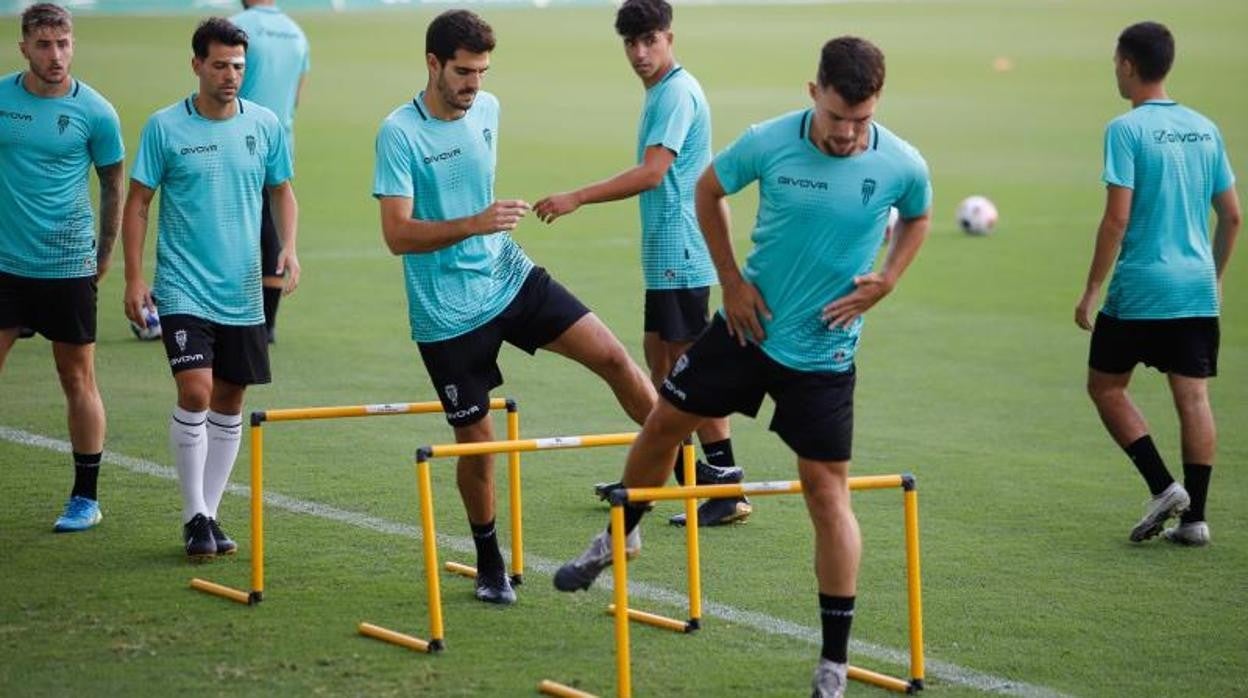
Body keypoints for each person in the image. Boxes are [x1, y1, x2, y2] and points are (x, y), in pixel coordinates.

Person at [554, 37, 932, 698]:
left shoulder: (902, 163)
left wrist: (890, 277)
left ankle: (833, 662)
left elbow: (920, 215)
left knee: (826, 492)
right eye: (837, 116)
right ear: (813, 93)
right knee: (665, 422)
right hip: (744, 327)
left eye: (862, 119)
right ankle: (617, 537)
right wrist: (729, 279)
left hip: (824, 352)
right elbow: (708, 189)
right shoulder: (769, 141)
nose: (847, 133)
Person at [373, 9, 656, 605]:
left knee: (613, 356)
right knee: (479, 446)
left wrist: (488, 231)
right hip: (446, 313)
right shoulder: (398, 133)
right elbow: (397, 235)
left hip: (509, 276)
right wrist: (476, 222)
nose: (475, 84)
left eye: (482, 71)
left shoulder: (490, 109)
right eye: (463, 72)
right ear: (433, 64)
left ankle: (665, 482)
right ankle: (489, 561)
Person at [533, 0, 748, 527]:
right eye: (630, 43)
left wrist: (578, 197)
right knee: (660, 366)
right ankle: (651, 480)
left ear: (669, 37)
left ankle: (725, 488)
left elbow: (654, 173)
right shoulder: (663, 91)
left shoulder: (675, 93)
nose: (639, 52)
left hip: (681, 252)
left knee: (687, 373)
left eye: (649, 40)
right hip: (665, 255)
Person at [122, 17, 300, 559]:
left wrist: (288, 246)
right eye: (220, 65)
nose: (230, 75)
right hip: (182, 286)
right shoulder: (164, 127)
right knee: (196, 391)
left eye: (239, 66)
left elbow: (282, 191)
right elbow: (138, 203)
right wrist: (134, 276)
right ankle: (192, 513)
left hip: (243, 290)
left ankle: (209, 516)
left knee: (229, 398)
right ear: (197, 64)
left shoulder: (265, 124)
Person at [1075, 21, 1239, 547]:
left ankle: (1163, 486)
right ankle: (1196, 520)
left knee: (1105, 386)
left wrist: (1092, 289)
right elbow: (1233, 216)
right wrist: (1211, 278)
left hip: (1142, 287)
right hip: (1195, 290)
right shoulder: (1206, 127)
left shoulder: (1125, 130)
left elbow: (1116, 220)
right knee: (1194, 400)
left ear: (1127, 64)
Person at [0, 3, 124, 533]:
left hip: (67, 264)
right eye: (46, 45)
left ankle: (85, 497)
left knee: (76, 377)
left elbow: (115, 182)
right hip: (5, 263)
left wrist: (104, 253)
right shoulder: (2, 99)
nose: (57, 55)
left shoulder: (96, 111)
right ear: (24, 46)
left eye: (64, 44)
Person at [230, 0, 309, 344]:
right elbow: (296, 99)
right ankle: (267, 325)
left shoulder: (233, 27)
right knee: (271, 232)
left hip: (233, 146)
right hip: (279, 146)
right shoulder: (297, 33)